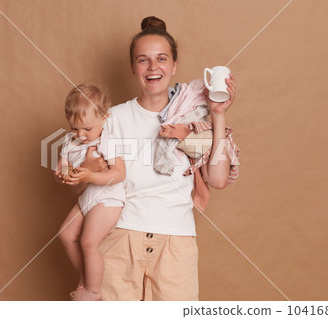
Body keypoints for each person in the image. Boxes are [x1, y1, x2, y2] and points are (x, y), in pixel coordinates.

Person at [60, 16, 237, 301]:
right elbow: (82, 187)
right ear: (133, 68)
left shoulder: (193, 119)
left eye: (161, 59)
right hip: (118, 242)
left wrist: (218, 113)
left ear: (174, 65)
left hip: (176, 245)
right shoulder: (111, 118)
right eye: (143, 60)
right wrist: (82, 170)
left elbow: (216, 180)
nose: (153, 67)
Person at [55, 84, 126, 301]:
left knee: (88, 242)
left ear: (104, 119)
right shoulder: (69, 140)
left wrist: (89, 176)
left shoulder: (107, 140)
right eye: (75, 128)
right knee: (66, 235)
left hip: (108, 198)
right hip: (86, 198)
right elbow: (64, 169)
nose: (81, 135)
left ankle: (93, 291)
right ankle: (87, 278)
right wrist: (63, 174)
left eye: (87, 129)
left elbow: (119, 173)